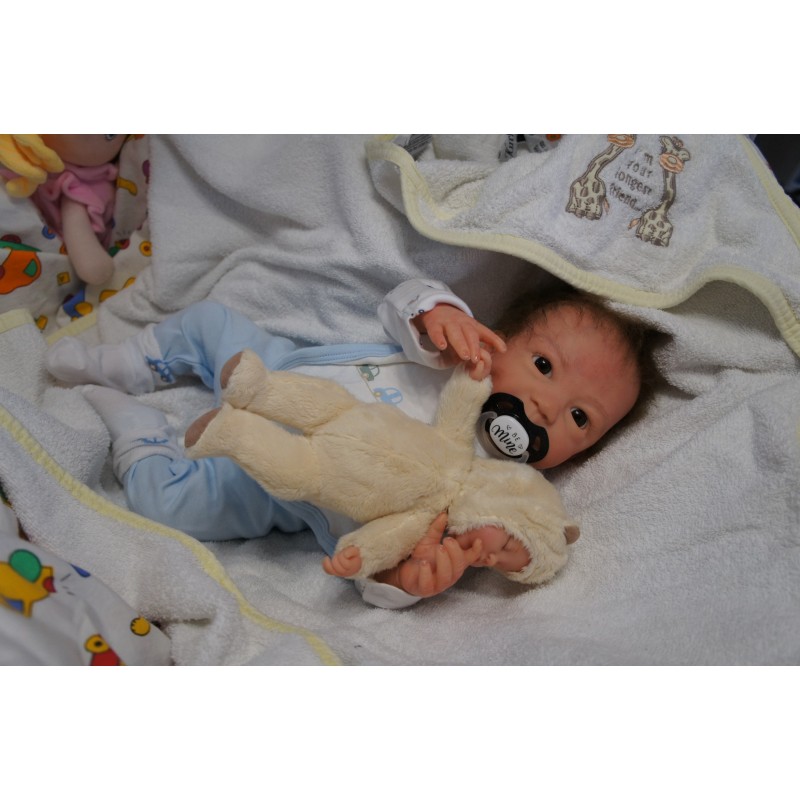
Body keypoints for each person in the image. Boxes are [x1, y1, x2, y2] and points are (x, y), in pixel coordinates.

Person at [45, 279, 655, 608]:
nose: (547, 406)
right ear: (497, 339)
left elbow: (384, 554)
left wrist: (410, 580)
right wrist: (437, 312)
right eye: (544, 366)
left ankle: (134, 427)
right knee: (210, 322)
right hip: (288, 371)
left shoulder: (492, 491)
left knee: (167, 504)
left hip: (289, 487)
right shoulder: (456, 360)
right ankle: (131, 362)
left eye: (581, 417)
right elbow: (398, 304)